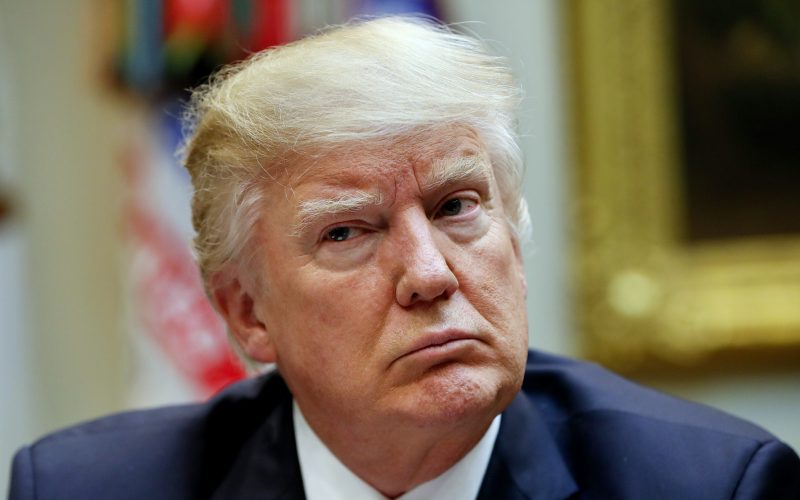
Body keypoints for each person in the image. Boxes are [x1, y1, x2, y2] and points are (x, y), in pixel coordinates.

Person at [8, 16, 800, 500]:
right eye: (348, 232)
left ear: (515, 240)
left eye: (457, 207)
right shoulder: (89, 491)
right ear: (249, 314)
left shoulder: (710, 486)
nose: (431, 274)